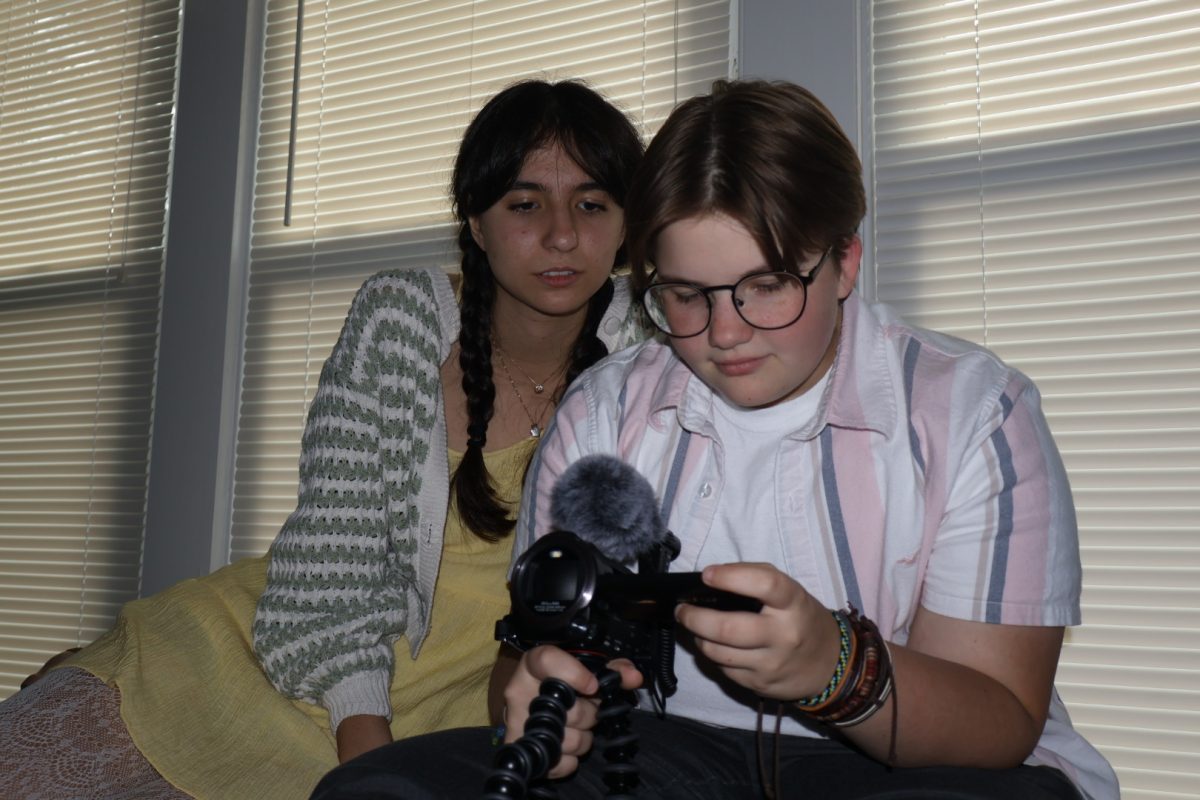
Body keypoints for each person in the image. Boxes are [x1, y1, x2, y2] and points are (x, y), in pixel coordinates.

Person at [308, 80, 1121, 800]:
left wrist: (836, 671)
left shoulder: (973, 412)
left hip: (920, 770)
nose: (723, 334)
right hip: (666, 754)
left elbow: (1003, 721)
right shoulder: (604, 412)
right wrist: (535, 698)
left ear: (844, 262)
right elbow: (520, 665)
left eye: (766, 286)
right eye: (687, 295)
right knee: (376, 787)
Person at [0, 77, 648, 800]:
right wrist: (367, 761)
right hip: (239, 676)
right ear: (475, 221)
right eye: (524, 204)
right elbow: (334, 563)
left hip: (438, 736)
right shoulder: (402, 318)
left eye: (592, 204)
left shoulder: (649, 365)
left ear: (627, 224)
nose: (562, 234)